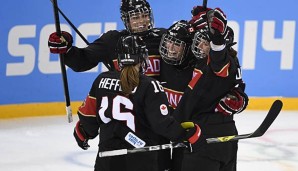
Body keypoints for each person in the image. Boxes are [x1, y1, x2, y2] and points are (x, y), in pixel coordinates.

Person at [72, 35, 202, 171]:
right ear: (143, 58)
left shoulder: (101, 80)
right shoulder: (150, 85)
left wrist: (83, 133)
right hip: (143, 159)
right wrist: (187, 135)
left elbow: (88, 119)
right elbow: (162, 124)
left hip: (107, 160)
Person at [168, 8, 245, 171]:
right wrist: (201, 16)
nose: (201, 46)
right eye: (200, 41)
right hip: (221, 136)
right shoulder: (202, 63)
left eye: (206, 43)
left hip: (205, 140)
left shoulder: (220, 64)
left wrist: (217, 41)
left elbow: (220, 61)